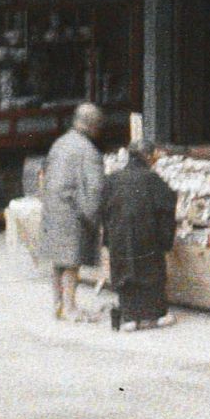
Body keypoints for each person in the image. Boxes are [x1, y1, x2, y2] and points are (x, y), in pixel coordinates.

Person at [100, 141, 179, 332]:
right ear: (148, 156)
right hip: (147, 236)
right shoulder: (152, 179)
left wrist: (108, 237)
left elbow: (103, 209)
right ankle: (153, 316)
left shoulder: (112, 179)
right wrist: (166, 239)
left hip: (119, 236)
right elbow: (167, 207)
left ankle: (129, 317)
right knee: (150, 275)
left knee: (125, 273)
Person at [40, 103, 105, 323]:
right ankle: (70, 307)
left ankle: (58, 304)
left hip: (53, 208)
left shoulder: (59, 144)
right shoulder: (89, 151)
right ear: (93, 125)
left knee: (58, 262)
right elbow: (95, 189)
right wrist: (94, 218)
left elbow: (45, 174)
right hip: (73, 212)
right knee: (71, 263)